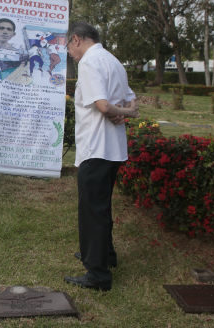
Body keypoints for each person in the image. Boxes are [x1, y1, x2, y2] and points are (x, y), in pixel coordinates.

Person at [64, 21, 139, 291]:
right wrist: (124, 111)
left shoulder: (89, 62)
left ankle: (97, 274)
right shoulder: (114, 61)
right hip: (113, 148)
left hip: (96, 147)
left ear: (76, 39)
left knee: (92, 210)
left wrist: (122, 113)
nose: (70, 53)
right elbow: (132, 101)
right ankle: (104, 255)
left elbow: (103, 105)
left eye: (68, 47)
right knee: (101, 206)